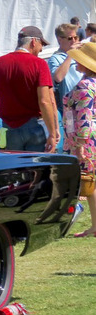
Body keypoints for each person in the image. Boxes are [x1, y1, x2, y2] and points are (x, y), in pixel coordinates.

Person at [0, 26, 58, 153]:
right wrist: (52, 133)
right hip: (35, 128)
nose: (41, 49)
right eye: (41, 44)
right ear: (33, 41)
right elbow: (45, 101)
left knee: (13, 165)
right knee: (37, 164)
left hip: (9, 128)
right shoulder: (39, 64)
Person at [63, 42, 96, 237]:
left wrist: (81, 144)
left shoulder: (85, 85)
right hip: (89, 137)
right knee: (91, 183)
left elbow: (85, 115)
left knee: (86, 182)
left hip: (84, 139)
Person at [48, 23, 83, 151]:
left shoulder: (81, 56)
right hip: (69, 111)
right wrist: (70, 56)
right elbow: (58, 77)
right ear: (59, 39)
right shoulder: (55, 58)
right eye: (70, 38)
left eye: (75, 37)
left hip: (85, 106)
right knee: (72, 142)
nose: (73, 41)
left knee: (86, 143)